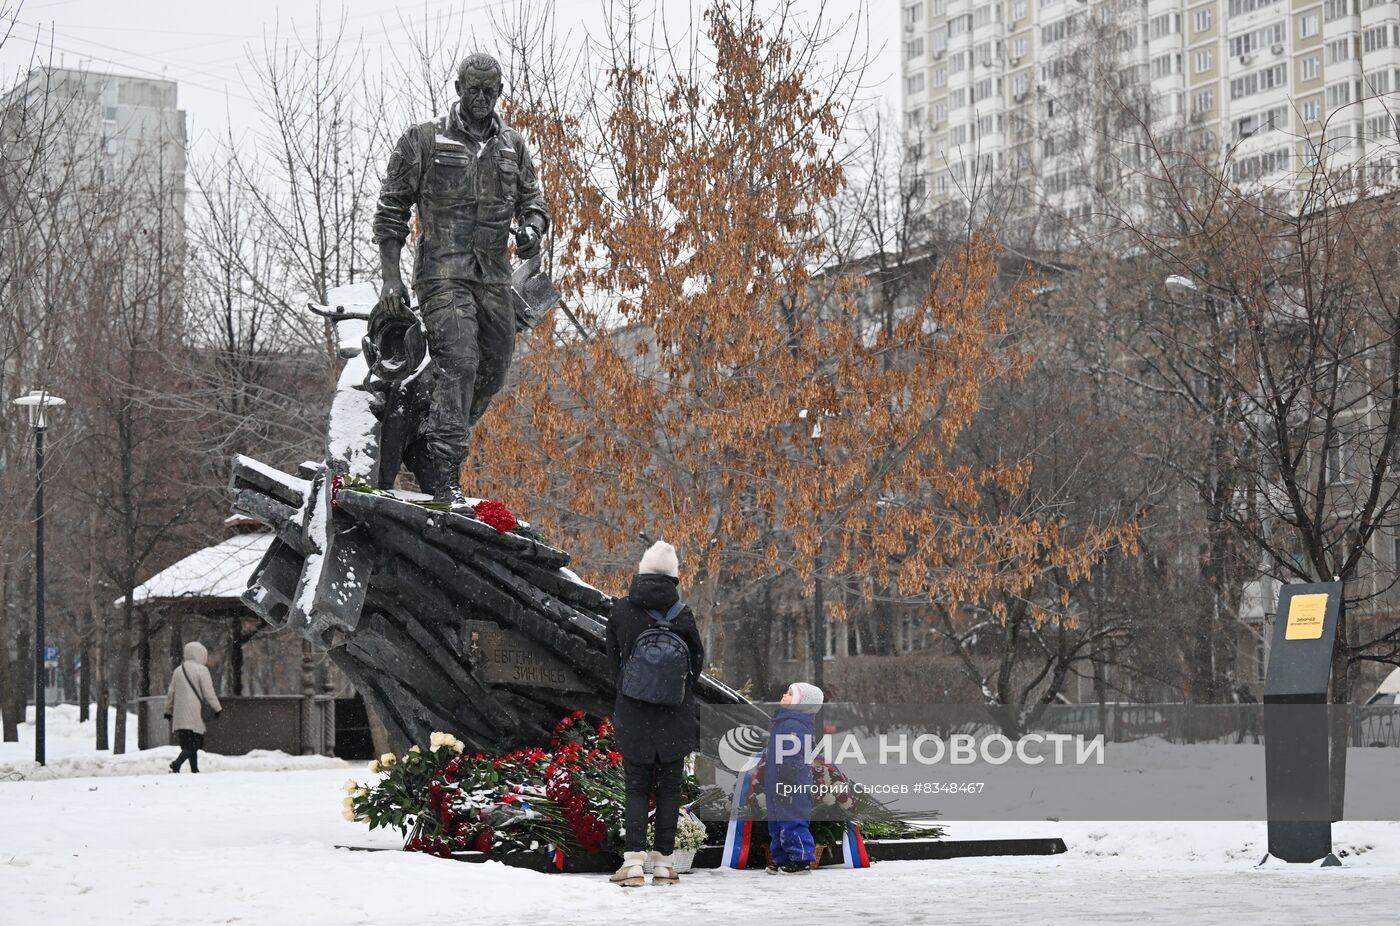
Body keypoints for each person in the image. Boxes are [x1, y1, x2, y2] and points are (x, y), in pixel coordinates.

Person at [372, 52, 551, 503]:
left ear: (500, 93)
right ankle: (445, 469)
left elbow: (535, 202)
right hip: (441, 275)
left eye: (490, 91)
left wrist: (532, 229)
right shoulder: (423, 140)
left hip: (492, 278)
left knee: (493, 371)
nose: (481, 98)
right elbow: (390, 211)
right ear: (458, 88)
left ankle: (432, 434)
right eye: (473, 89)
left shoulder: (513, 146)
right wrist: (391, 280)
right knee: (461, 362)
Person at [605, 541, 704, 886]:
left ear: (642, 571)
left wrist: (635, 690)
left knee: (636, 786)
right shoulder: (683, 614)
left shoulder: (620, 611)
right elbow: (697, 667)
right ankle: (664, 864)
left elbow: (613, 663)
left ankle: (632, 863)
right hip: (674, 714)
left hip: (634, 712)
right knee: (669, 789)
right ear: (674, 576)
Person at [766, 681, 823, 875]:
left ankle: (801, 859)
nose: (784, 695)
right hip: (777, 779)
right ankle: (781, 858)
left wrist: (787, 780)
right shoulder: (784, 721)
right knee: (776, 821)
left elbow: (795, 755)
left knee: (792, 819)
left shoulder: (795, 725)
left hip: (791, 781)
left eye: (790, 694)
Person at [164, 641, 222, 774]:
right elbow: (209, 692)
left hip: (180, 716)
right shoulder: (202, 670)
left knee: (188, 744)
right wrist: (217, 708)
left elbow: (171, 693)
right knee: (196, 744)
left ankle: (194, 769)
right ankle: (176, 763)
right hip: (195, 714)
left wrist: (167, 711)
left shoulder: (178, 670)